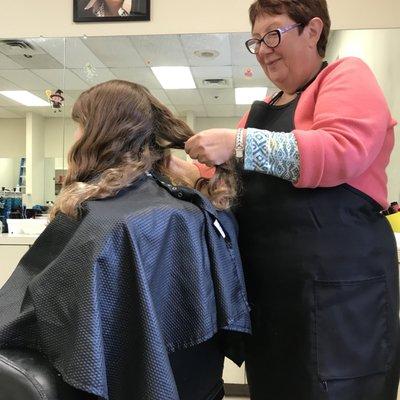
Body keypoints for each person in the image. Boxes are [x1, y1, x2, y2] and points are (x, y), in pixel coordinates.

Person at [184, 0, 400, 399]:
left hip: (340, 298)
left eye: (273, 34)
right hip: (274, 299)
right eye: (256, 40)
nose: (263, 49)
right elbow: (226, 183)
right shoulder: (261, 111)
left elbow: (341, 149)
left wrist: (237, 143)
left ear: (313, 31)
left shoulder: (346, 75)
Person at [0, 80, 250, 400]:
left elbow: (49, 318)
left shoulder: (113, 223)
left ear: (100, 133)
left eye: (81, 126)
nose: (76, 137)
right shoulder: (184, 210)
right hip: (196, 380)